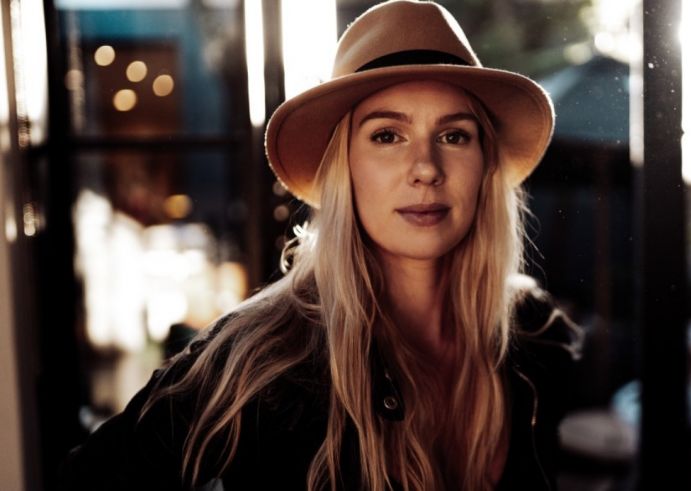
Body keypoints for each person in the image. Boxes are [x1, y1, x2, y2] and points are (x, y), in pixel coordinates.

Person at [61, 1, 584, 490]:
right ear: (344, 169)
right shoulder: (263, 358)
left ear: (485, 166)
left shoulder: (532, 337)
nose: (426, 168)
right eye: (387, 136)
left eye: (454, 136)